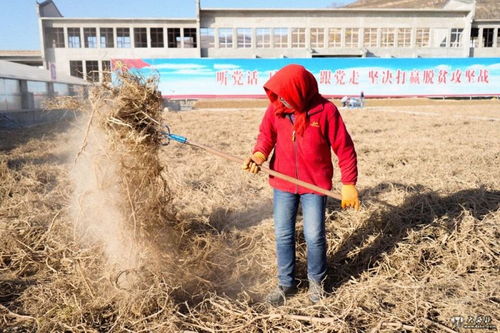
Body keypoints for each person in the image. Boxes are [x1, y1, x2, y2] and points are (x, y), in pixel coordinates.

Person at [242, 64, 360, 306]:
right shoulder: (276, 109)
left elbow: (345, 149)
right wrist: (258, 156)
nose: (281, 99)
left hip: (315, 186)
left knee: (314, 235)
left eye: (286, 95)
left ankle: (316, 281)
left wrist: (349, 183)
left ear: (300, 91)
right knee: (283, 234)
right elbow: (266, 136)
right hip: (283, 182)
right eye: (278, 95)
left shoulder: (326, 111)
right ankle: (286, 283)